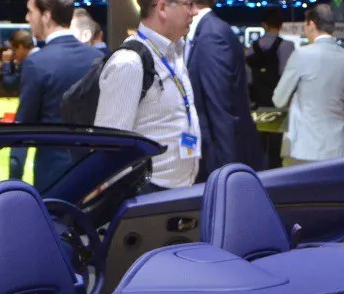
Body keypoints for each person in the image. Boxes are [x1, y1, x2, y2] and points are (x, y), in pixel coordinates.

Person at [94, 0, 199, 191]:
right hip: (146, 192)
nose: (194, 12)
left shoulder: (174, 54)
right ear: (163, 7)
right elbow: (109, 148)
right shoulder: (129, 62)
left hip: (179, 188)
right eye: (188, 4)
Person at [12, 0, 101, 188]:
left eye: (30, 11)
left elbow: (22, 130)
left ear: (46, 16)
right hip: (94, 173)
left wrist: (14, 182)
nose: (27, 18)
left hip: (53, 178)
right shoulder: (97, 58)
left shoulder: (36, 64)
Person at [187, 0, 265, 178]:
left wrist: (228, 173)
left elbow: (221, 109)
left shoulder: (211, 35)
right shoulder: (206, 32)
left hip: (217, 160)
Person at [271, 3, 344, 166]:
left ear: (312, 24)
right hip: (339, 147)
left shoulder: (301, 54)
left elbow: (278, 100)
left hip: (303, 147)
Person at [246, 6, 293, 109]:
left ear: (264, 25)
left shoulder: (253, 48)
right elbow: (287, 76)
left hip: (257, 103)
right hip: (280, 103)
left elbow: (248, 78)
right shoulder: (287, 46)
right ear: (281, 25)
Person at [2, 30, 34, 95]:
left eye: (14, 50)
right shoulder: (40, 56)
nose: (13, 54)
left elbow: (9, 85)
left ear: (20, 47)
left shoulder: (29, 63)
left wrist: (7, 62)